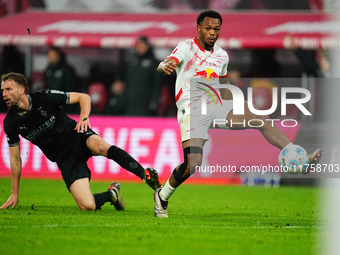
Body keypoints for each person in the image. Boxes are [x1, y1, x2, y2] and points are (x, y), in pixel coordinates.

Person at [154, 10, 323, 218]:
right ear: (198, 28)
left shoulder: (222, 55)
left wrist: (236, 101)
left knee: (261, 118)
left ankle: (300, 159)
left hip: (215, 105)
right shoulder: (186, 47)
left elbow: (223, 83)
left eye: (216, 29)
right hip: (192, 109)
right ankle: (162, 194)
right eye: (208, 28)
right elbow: (166, 64)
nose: (212, 33)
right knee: (193, 164)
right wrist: (164, 66)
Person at [0, 72, 161, 211]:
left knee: (102, 146)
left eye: (8, 89)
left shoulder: (43, 97)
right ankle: (112, 194)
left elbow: (84, 97)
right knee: (87, 205)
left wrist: (84, 117)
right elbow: (15, 159)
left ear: (22, 90)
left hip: (76, 134)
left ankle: (145, 175)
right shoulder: (10, 123)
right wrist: (15, 193)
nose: (4, 94)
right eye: (2, 91)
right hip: (65, 157)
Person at [125, 36, 161, 116]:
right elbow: (128, 80)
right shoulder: (133, 61)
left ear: (147, 46)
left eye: (143, 46)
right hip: (132, 100)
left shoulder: (153, 62)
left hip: (145, 101)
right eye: (138, 46)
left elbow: (157, 84)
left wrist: (154, 100)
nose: (140, 48)